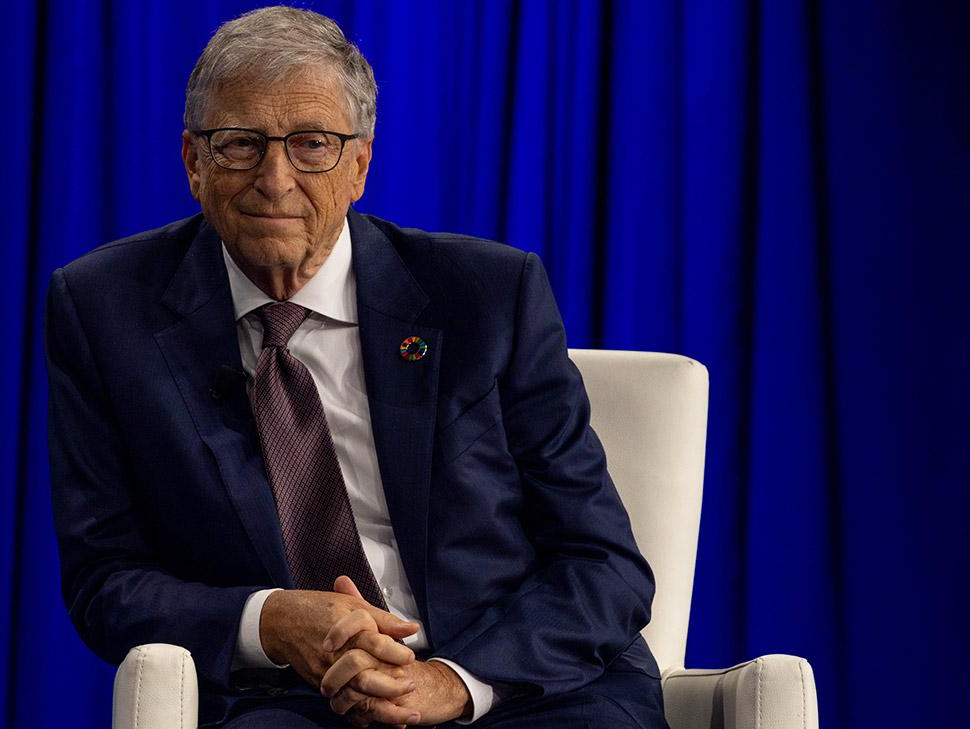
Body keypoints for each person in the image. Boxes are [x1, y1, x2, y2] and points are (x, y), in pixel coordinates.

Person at [46, 6, 666, 728]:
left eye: (312, 144)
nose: (275, 179)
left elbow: (603, 563)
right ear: (193, 161)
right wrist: (271, 619)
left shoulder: (488, 296)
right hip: (290, 697)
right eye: (240, 144)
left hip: (511, 684)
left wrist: (451, 681)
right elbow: (106, 581)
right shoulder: (106, 310)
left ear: (360, 165)